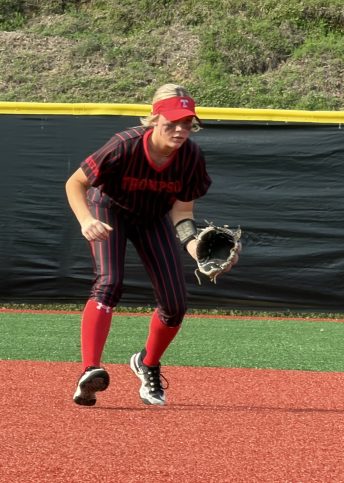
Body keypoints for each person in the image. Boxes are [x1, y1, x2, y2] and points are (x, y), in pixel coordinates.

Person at [65, 83, 217, 407]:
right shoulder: (126, 145)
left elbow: (183, 210)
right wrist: (85, 221)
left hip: (153, 218)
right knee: (110, 282)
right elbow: (75, 182)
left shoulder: (190, 157)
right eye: (172, 122)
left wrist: (196, 249)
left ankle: (147, 363)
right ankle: (90, 370)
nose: (179, 130)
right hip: (110, 209)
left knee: (175, 304)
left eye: (186, 123)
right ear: (153, 119)